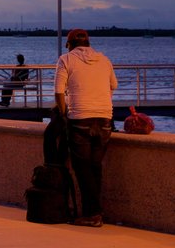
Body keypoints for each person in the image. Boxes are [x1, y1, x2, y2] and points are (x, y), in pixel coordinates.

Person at [54, 29, 118, 227]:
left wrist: (64, 113)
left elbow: (58, 92)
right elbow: (113, 85)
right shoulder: (104, 60)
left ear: (70, 45)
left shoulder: (66, 60)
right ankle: (96, 212)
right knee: (95, 167)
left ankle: (93, 214)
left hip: (80, 118)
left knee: (83, 169)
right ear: (89, 43)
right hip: (104, 118)